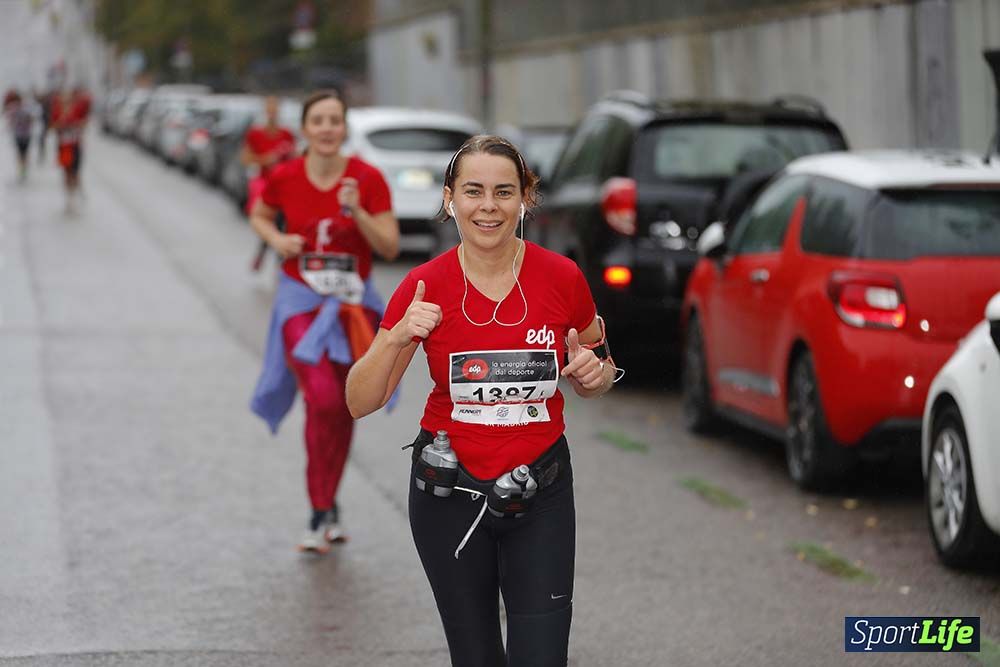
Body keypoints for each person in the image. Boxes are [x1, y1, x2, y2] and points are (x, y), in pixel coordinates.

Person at [345, 135, 618, 666]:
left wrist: (593, 373)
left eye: (503, 192)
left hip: (541, 492)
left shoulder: (562, 277)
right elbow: (360, 400)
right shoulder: (424, 286)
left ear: (525, 200)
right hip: (449, 496)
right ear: (450, 199)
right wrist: (397, 336)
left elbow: (597, 365)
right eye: (473, 191)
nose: (487, 206)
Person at [249, 90, 400, 553]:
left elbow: (390, 246)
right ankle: (318, 510)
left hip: (355, 306)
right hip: (300, 301)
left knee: (344, 403)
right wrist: (277, 239)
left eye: (335, 120)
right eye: (319, 120)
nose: (328, 128)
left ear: (344, 127)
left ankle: (328, 504)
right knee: (322, 396)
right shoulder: (285, 174)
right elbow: (258, 212)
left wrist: (356, 212)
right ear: (306, 129)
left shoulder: (368, 178)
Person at [243, 95, 298, 271]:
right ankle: (265, 255)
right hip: (266, 186)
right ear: (265, 111)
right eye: (270, 109)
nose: (273, 112)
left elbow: (296, 157)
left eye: (276, 109)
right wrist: (266, 159)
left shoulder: (287, 134)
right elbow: (246, 158)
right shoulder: (255, 134)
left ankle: (278, 261)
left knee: (282, 222)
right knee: (268, 221)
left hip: (285, 186)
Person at [49, 86, 90, 214]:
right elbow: (52, 126)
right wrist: (61, 124)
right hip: (63, 146)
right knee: (66, 172)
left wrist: (76, 124)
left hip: (75, 145)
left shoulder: (77, 109)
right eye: (63, 97)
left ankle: (77, 189)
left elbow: (85, 122)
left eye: (68, 97)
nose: (65, 99)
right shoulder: (57, 110)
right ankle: (70, 198)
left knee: (76, 172)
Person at [3, 90, 34, 182]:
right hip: (25, 134)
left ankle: (22, 167)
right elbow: (32, 119)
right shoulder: (26, 108)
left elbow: (10, 121)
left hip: (20, 134)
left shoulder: (14, 108)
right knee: (24, 153)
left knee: (20, 153)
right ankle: (23, 167)